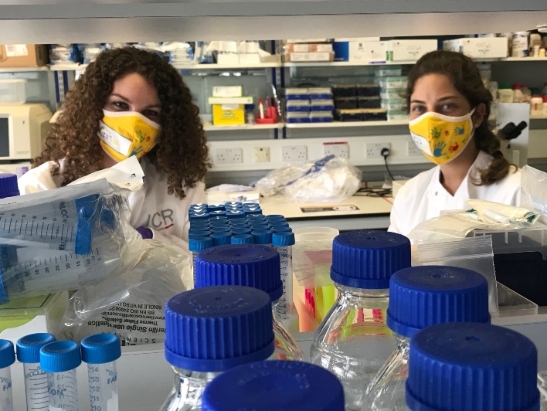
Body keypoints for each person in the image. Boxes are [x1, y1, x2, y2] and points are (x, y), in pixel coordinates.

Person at [18, 47, 210, 249]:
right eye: (119, 105)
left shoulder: (180, 187)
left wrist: (149, 240)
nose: (135, 123)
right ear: (92, 107)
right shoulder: (43, 186)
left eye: (151, 113)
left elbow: (200, 261)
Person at [388, 50, 520, 237]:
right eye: (419, 108)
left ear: (477, 115)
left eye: (447, 106)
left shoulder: (517, 190)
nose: (431, 120)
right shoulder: (410, 195)